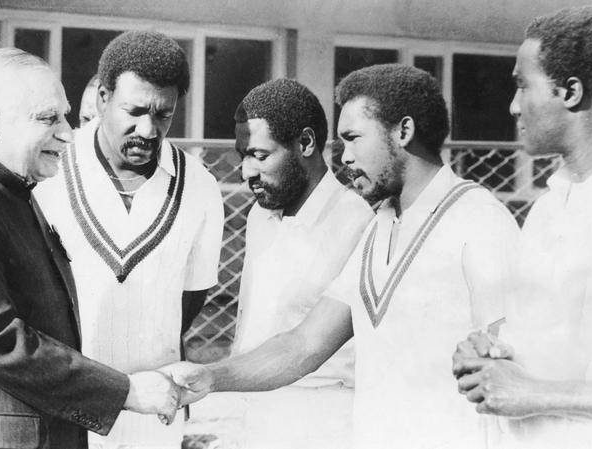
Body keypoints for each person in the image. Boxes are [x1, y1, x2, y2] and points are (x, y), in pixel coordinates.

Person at [164, 64, 519, 449]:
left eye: (352, 138)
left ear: (403, 131)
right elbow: (305, 344)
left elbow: (513, 364)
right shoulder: (382, 225)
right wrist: (210, 377)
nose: (343, 157)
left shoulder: (478, 218)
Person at [0, 48, 181, 449]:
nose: (68, 133)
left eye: (67, 115)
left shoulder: (8, 187)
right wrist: (125, 392)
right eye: (48, 118)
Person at [35, 31, 224, 449]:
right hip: (63, 405)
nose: (148, 129)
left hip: (154, 412)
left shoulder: (200, 185)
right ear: (102, 98)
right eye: (134, 111)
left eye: (163, 115)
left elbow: (192, 297)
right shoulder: (48, 171)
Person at [453, 6, 592, 448]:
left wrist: (531, 392)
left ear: (571, 92)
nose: (513, 106)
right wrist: (488, 351)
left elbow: (533, 391)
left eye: (523, 85)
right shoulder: (546, 211)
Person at [230, 79, 374, 449]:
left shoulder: (357, 221)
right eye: (242, 154)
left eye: (260, 156)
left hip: (324, 426)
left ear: (306, 143)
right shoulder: (260, 218)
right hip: (251, 418)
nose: (246, 171)